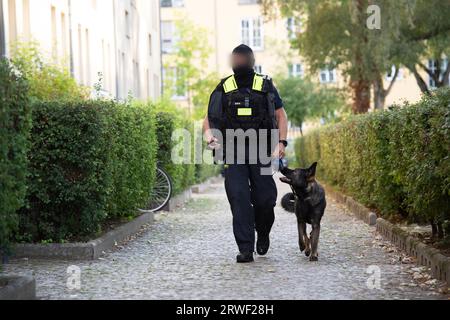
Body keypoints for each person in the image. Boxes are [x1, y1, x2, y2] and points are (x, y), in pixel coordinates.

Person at [203, 44, 289, 263]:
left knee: (265, 199)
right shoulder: (224, 86)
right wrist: (209, 135)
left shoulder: (265, 84)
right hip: (233, 150)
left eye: (242, 58)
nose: (239, 62)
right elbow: (209, 117)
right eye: (236, 58)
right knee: (239, 197)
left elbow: (281, 115)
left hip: (262, 150)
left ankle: (263, 232)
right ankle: (245, 248)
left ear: (251, 61)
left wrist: (281, 142)